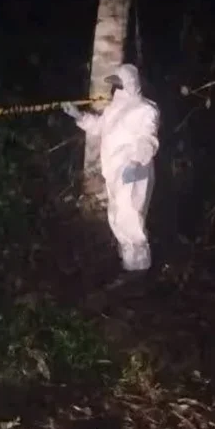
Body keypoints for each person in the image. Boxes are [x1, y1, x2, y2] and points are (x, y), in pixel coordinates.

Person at [62, 63, 160, 272]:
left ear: (130, 83)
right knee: (116, 215)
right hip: (114, 171)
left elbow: (148, 139)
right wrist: (79, 116)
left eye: (119, 84)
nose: (115, 88)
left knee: (130, 215)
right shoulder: (113, 109)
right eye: (114, 84)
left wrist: (136, 162)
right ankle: (129, 263)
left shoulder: (144, 109)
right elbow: (99, 127)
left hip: (134, 171)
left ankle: (140, 266)